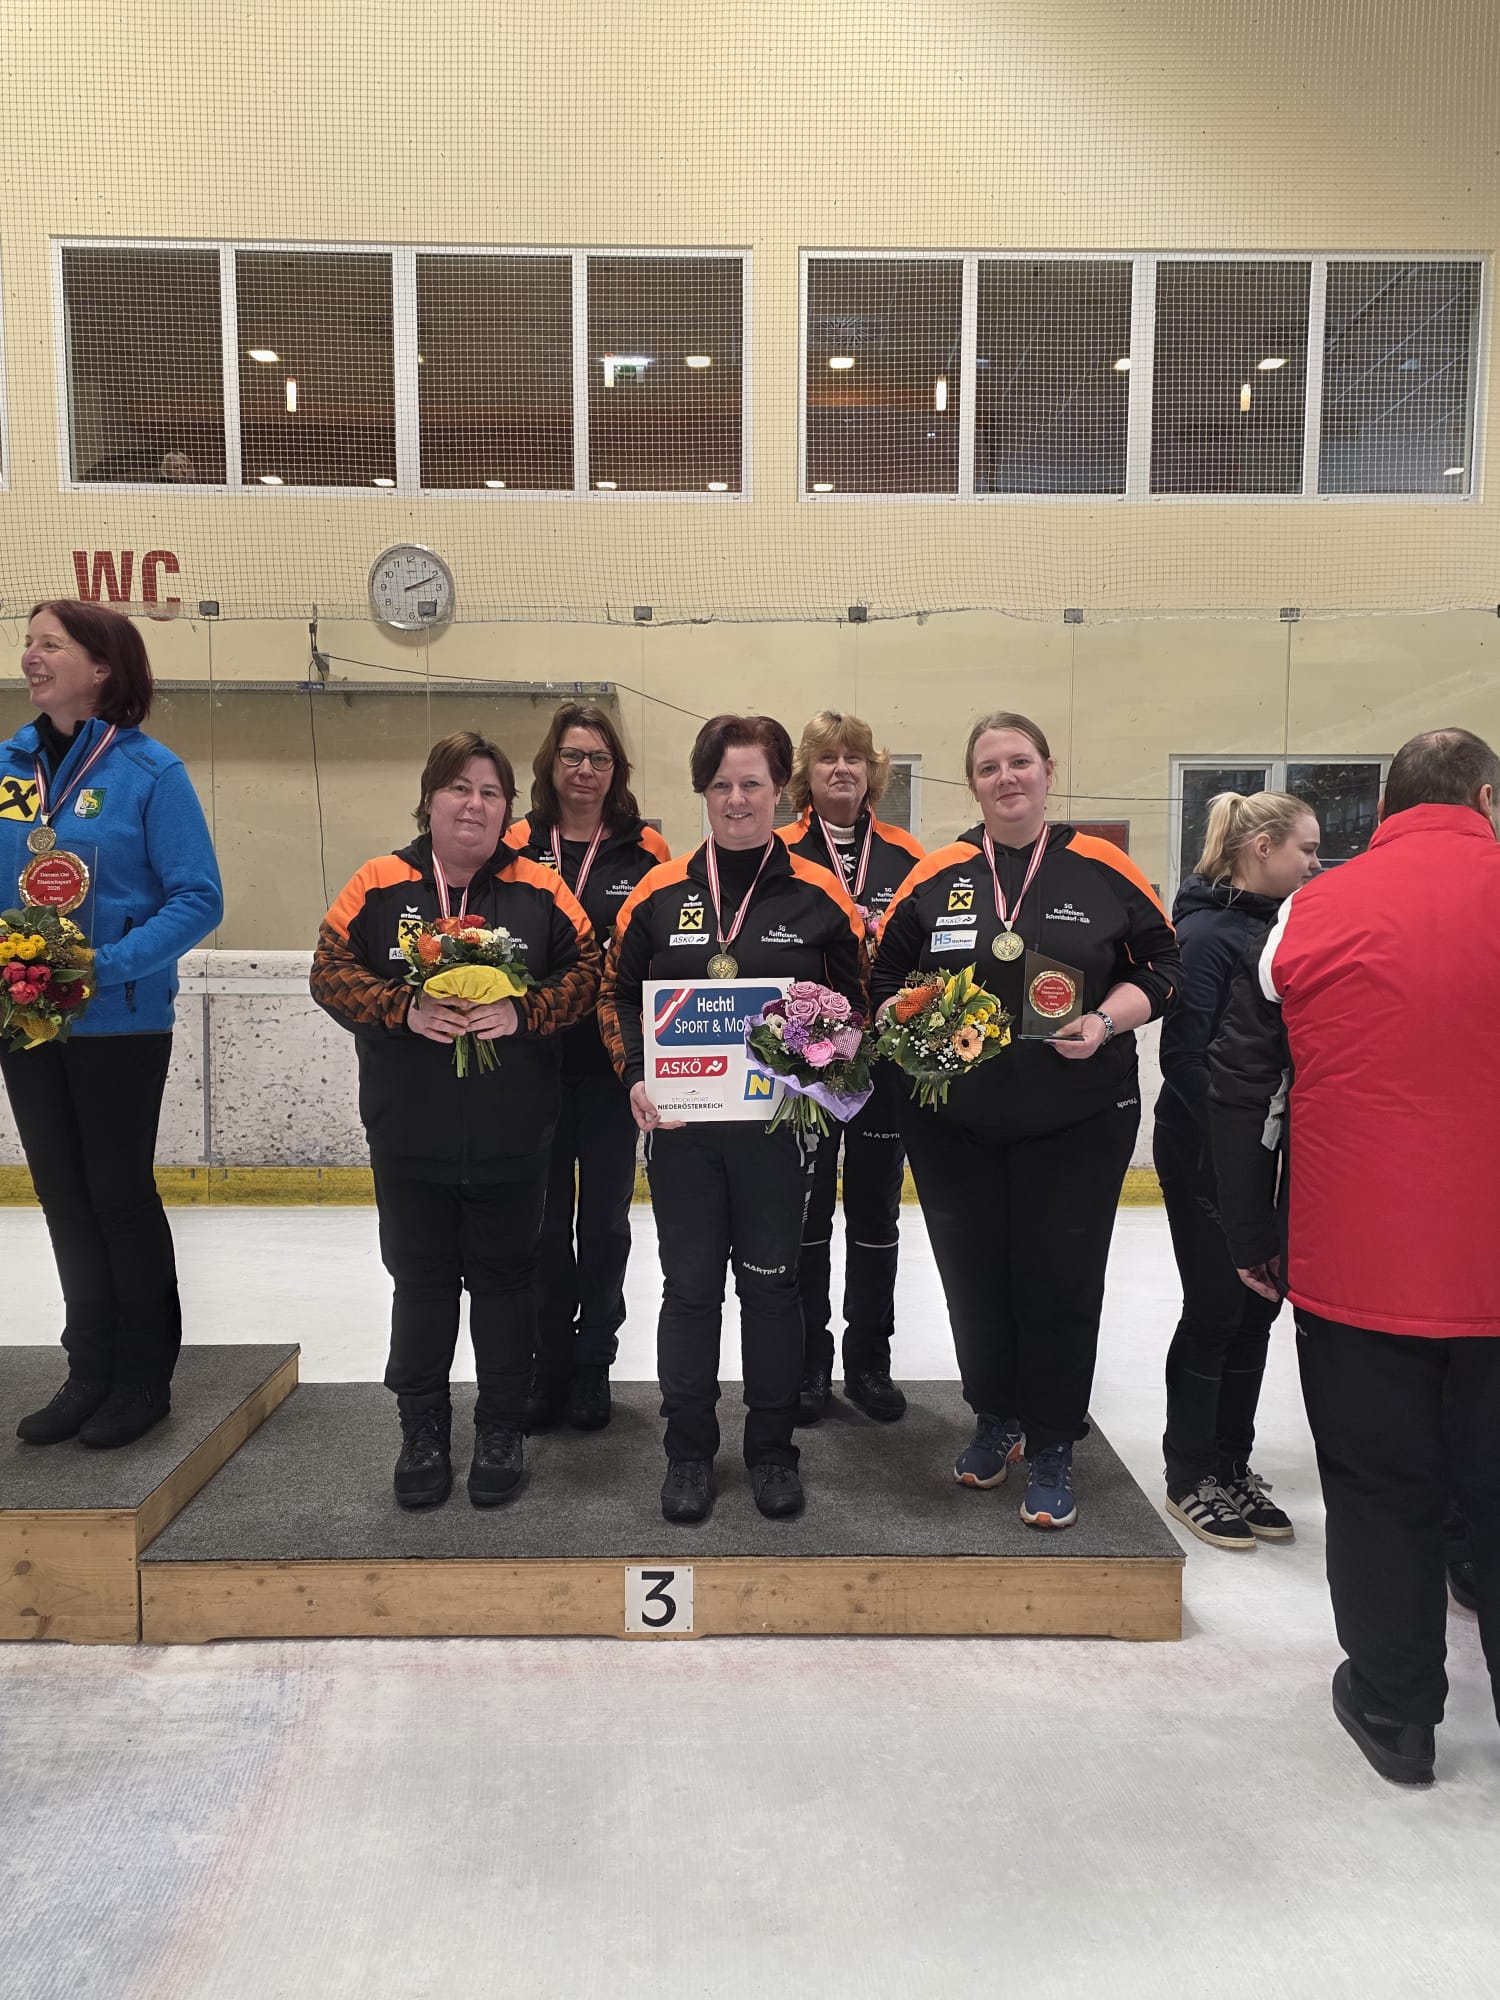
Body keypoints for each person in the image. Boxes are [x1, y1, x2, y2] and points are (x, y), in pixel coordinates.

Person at [1210, 728, 1500, 1787]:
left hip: (1357, 1270)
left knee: (1379, 1488)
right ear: (1485, 798)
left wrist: (1251, 1233)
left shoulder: (1311, 910)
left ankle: (1395, 1710)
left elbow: (1239, 1087)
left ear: (1383, 807)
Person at [872, 711, 1179, 1530]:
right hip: (954, 1125)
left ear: (1047, 771)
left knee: (1060, 1285)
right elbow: (884, 978)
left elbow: (1164, 966)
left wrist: (1106, 1020)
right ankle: (994, 1416)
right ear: (972, 785)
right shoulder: (936, 874)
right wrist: (914, 1022)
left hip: (1076, 1118)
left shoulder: (1103, 867)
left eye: (1019, 762)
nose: (1006, 778)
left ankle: (1051, 1442)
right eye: (989, 767)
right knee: (975, 1281)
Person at [311, 731, 600, 1511]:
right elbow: (329, 973)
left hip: (515, 1138)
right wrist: (402, 1007)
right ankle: (423, 1431)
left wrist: (526, 1010)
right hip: (409, 1135)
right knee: (422, 1286)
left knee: (508, 1288)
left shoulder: (540, 887)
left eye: (491, 793)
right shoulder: (379, 881)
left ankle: (501, 1428)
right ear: (430, 798)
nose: (475, 804)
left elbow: (590, 972)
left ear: (508, 809)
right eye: (460, 788)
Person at [598, 714, 867, 1526]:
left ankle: (773, 1451)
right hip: (682, 1136)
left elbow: (858, 1006)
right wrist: (635, 1075)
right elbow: (616, 994)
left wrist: (823, 1063)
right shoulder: (658, 892)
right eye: (720, 785)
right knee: (688, 1294)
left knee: (773, 1291)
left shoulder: (821, 894)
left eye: (752, 783)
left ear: (781, 788)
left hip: (777, 1137)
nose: (736, 799)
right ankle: (687, 1451)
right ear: (702, 791)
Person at [6, 601, 223, 1449]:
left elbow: (197, 897)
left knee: (118, 1196)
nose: (30, 656)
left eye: (49, 644)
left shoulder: (150, 773)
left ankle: (141, 1378)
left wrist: (105, 965)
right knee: (63, 1198)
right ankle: (87, 1369)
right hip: (25, 1019)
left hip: (118, 1023)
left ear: (101, 667)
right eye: (27, 642)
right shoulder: (8, 768)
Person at [1154, 791, 1320, 1550]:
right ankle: (1189, 1472)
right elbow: (1184, 1058)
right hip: (1204, 1150)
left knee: (1258, 1307)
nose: (1314, 864)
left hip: (1263, 1150)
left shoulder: (1285, 929)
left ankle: (1230, 1462)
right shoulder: (1205, 933)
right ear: (1261, 847)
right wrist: (1232, 1141)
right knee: (1219, 1306)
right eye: (1305, 850)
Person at [506, 704, 670, 1434]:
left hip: (611, 1072)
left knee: (604, 1224)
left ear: (616, 771)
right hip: (531, 1065)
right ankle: (547, 1362)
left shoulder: (646, 850)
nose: (585, 770)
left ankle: (594, 1362)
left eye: (600, 759)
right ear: (550, 764)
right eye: (573, 756)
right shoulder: (515, 844)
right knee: (542, 1224)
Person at [779, 710, 924, 1425]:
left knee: (875, 1215)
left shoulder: (908, 856)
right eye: (827, 757)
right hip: (804, 1065)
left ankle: (869, 1361)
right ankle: (808, 1365)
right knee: (806, 1216)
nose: (842, 768)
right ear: (805, 773)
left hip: (883, 1067)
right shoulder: (777, 851)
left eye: (855, 758)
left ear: (873, 772)